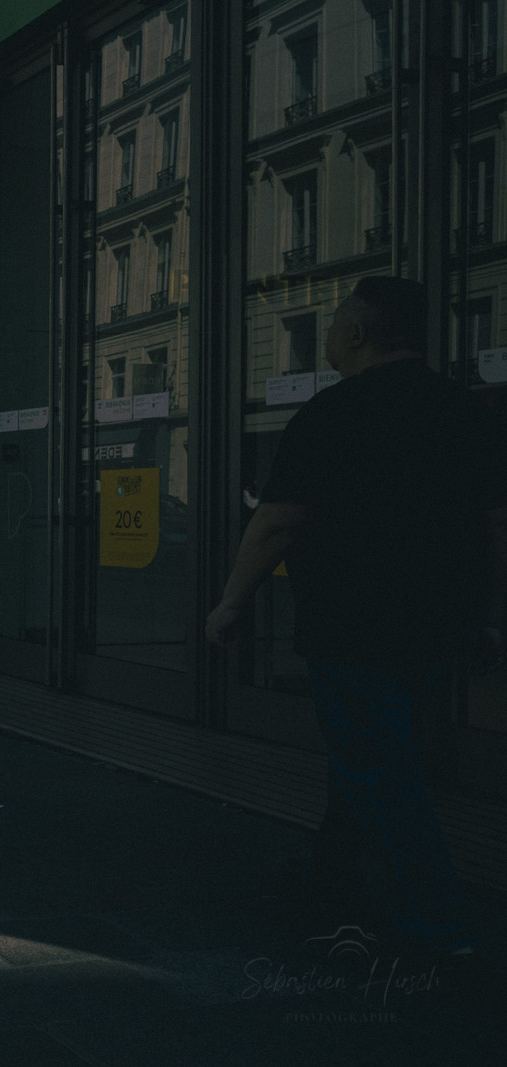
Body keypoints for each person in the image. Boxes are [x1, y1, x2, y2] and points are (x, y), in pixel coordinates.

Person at [206, 276, 507, 970]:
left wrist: (229, 603)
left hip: (352, 628)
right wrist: (491, 618)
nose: (334, 335)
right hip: (441, 629)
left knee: (382, 775)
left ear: (360, 331)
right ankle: (328, 887)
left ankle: (441, 926)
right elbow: (497, 526)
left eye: (338, 322)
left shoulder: (331, 414)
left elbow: (278, 520)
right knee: (372, 767)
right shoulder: (466, 412)